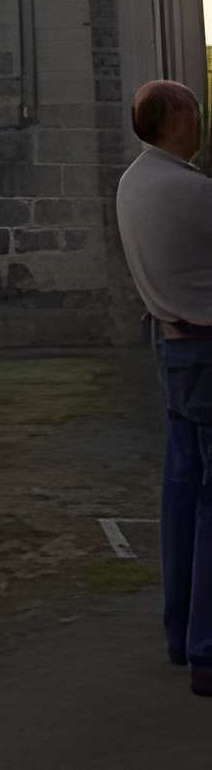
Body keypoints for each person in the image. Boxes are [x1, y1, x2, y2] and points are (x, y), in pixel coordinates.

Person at [116, 79, 212, 694]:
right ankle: (208, 651)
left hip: (170, 340)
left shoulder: (134, 181)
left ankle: (181, 634)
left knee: (182, 488)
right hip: (205, 345)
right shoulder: (191, 189)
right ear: (174, 117)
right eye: (195, 111)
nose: (200, 121)